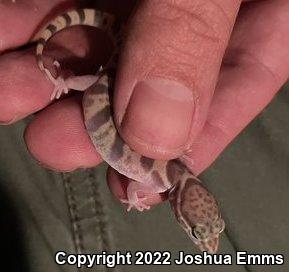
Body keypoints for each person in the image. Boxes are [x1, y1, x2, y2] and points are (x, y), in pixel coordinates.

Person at [0, 0, 288, 271]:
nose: (208, 245)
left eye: (203, 231)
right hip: (99, 95)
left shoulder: (178, 165)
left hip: (108, 91)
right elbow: (134, 191)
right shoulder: (156, 182)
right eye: (199, 232)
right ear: (179, 211)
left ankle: (65, 72)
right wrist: (135, 199)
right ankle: (63, 77)